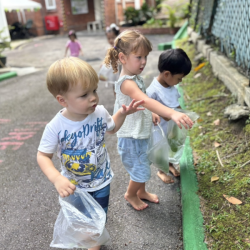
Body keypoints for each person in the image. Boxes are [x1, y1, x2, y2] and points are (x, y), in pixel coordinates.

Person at [37, 57, 145, 250]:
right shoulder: (56, 127)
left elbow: (111, 129)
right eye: (84, 95)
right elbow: (43, 156)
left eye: (94, 91)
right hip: (74, 186)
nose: (93, 97)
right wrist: (56, 179)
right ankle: (87, 238)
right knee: (81, 219)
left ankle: (94, 244)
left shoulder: (100, 112)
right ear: (62, 100)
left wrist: (122, 114)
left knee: (99, 215)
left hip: (101, 181)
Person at [104, 30, 193, 211]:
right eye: (139, 57)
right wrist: (172, 113)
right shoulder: (126, 82)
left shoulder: (135, 77)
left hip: (140, 133)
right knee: (140, 169)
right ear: (122, 58)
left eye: (145, 56)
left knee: (143, 164)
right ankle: (130, 194)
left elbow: (140, 102)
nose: (144, 62)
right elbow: (145, 99)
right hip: (131, 137)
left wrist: (149, 113)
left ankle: (141, 191)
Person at [146, 49, 192, 184]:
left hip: (172, 127)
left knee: (172, 146)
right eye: (179, 78)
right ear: (167, 74)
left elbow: (175, 104)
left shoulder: (172, 86)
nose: (180, 81)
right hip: (159, 129)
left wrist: (184, 115)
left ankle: (170, 165)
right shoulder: (152, 90)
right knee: (162, 150)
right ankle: (161, 171)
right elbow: (146, 108)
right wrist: (156, 113)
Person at [98, 23, 120, 92]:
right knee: (115, 86)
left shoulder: (120, 48)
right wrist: (103, 63)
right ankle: (116, 101)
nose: (111, 40)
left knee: (122, 85)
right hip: (113, 71)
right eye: (109, 38)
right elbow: (106, 57)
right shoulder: (108, 48)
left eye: (113, 38)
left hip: (120, 69)